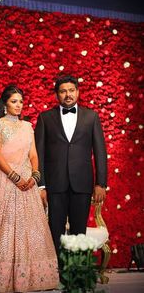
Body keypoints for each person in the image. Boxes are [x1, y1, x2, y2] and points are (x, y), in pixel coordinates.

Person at [0, 85, 59, 293]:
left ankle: (30, 277)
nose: (18, 105)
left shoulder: (28, 126)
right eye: (14, 101)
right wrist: (14, 176)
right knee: (3, 224)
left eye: (20, 101)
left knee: (29, 227)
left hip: (27, 182)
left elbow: (34, 156)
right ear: (5, 104)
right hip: (4, 180)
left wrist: (34, 176)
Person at [35, 75, 107, 255]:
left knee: (79, 233)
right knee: (55, 231)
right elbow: (38, 154)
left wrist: (101, 183)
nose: (68, 95)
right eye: (63, 91)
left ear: (78, 92)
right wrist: (41, 185)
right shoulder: (45, 118)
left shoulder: (91, 117)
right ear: (56, 95)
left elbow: (100, 152)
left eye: (71, 90)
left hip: (82, 183)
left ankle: (77, 276)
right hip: (55, 183)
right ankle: (57, 275)